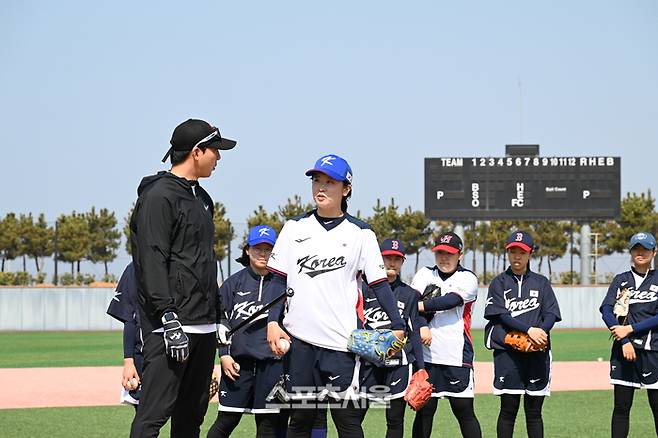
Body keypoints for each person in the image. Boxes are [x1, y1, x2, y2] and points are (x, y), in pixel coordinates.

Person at [265, 153, 406, 438]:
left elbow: (378, 284)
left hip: (341, 343)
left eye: (330, 182)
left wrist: (398, 324)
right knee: (300, 421)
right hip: (300, 340)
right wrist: (272, 321)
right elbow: (278, 280)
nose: (321, 187)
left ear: (346, 189)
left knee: (348, 421)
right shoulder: (294, 228)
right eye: (317, 180)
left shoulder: (361, 233)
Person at [129, 118, 237, 438]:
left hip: (202, 325)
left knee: (192, 416)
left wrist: (217, 315)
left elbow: (203, 263)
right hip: (172, 326)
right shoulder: (159, 196)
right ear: (196, 151)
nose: (218, 157)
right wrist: (168, 317)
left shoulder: (203, 199)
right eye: (215, 150)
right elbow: (151, 259)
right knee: (153, 416)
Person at [207, 225, 288, 438]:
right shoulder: (233, 283)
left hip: (273, 365)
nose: (263, 253)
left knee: (268, 426)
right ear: (247, 250)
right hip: (237, 364)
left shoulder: (284, 284)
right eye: (257, 248)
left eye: (268, 248)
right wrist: (223, 355)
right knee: (226, 421)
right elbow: (221, 321)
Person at [483, 230, 561, 438]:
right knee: (508, 411)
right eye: (513, 251)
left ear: (530, 254)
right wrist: (529, 330)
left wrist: (541, 332)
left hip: (537, 354)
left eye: (522, 252)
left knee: (534, 412)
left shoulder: (541, 282)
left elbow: (551, 313)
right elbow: (500, 314)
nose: (517, 256)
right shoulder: (499, 283)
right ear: (507, 253)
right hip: (508, 355)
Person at [410, 231, 482, 438]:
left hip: (456, 355)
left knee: (464, 411)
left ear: (460, 255)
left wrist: (419, 305)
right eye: (440, 253)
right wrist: (422, 325)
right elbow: (411, 307)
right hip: (427, 356)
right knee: (424, 411)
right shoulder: (424, 273)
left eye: (449, 253)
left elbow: (450, 301)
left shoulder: (467, 278)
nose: (444, 258)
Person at [357, 238, 426, 438]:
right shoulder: (363, 289)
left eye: (397, 258)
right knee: (354, 416)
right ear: (379, 259)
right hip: (368, 362)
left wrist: (420, 368)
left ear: (403, 262)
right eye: (387, 258)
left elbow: (413, 331)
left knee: (395, 420)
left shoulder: (409, 294)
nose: (392, 262)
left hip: (399, 364)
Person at [600, 231, 658, 438]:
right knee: (621, 408)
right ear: (631, 251)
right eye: (636, 248)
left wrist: (631, 329)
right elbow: (606, 310)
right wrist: (624, 339)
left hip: (653, 352)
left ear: (654, 252)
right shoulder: (621, 280)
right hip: (624, 351)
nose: (640, 252)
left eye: (645, 248)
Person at [106, 262, 142, 409]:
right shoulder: (135, 267)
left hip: (177, 354)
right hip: (143, 355)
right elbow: (130, 318)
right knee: (145, 416)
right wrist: (129, 361)